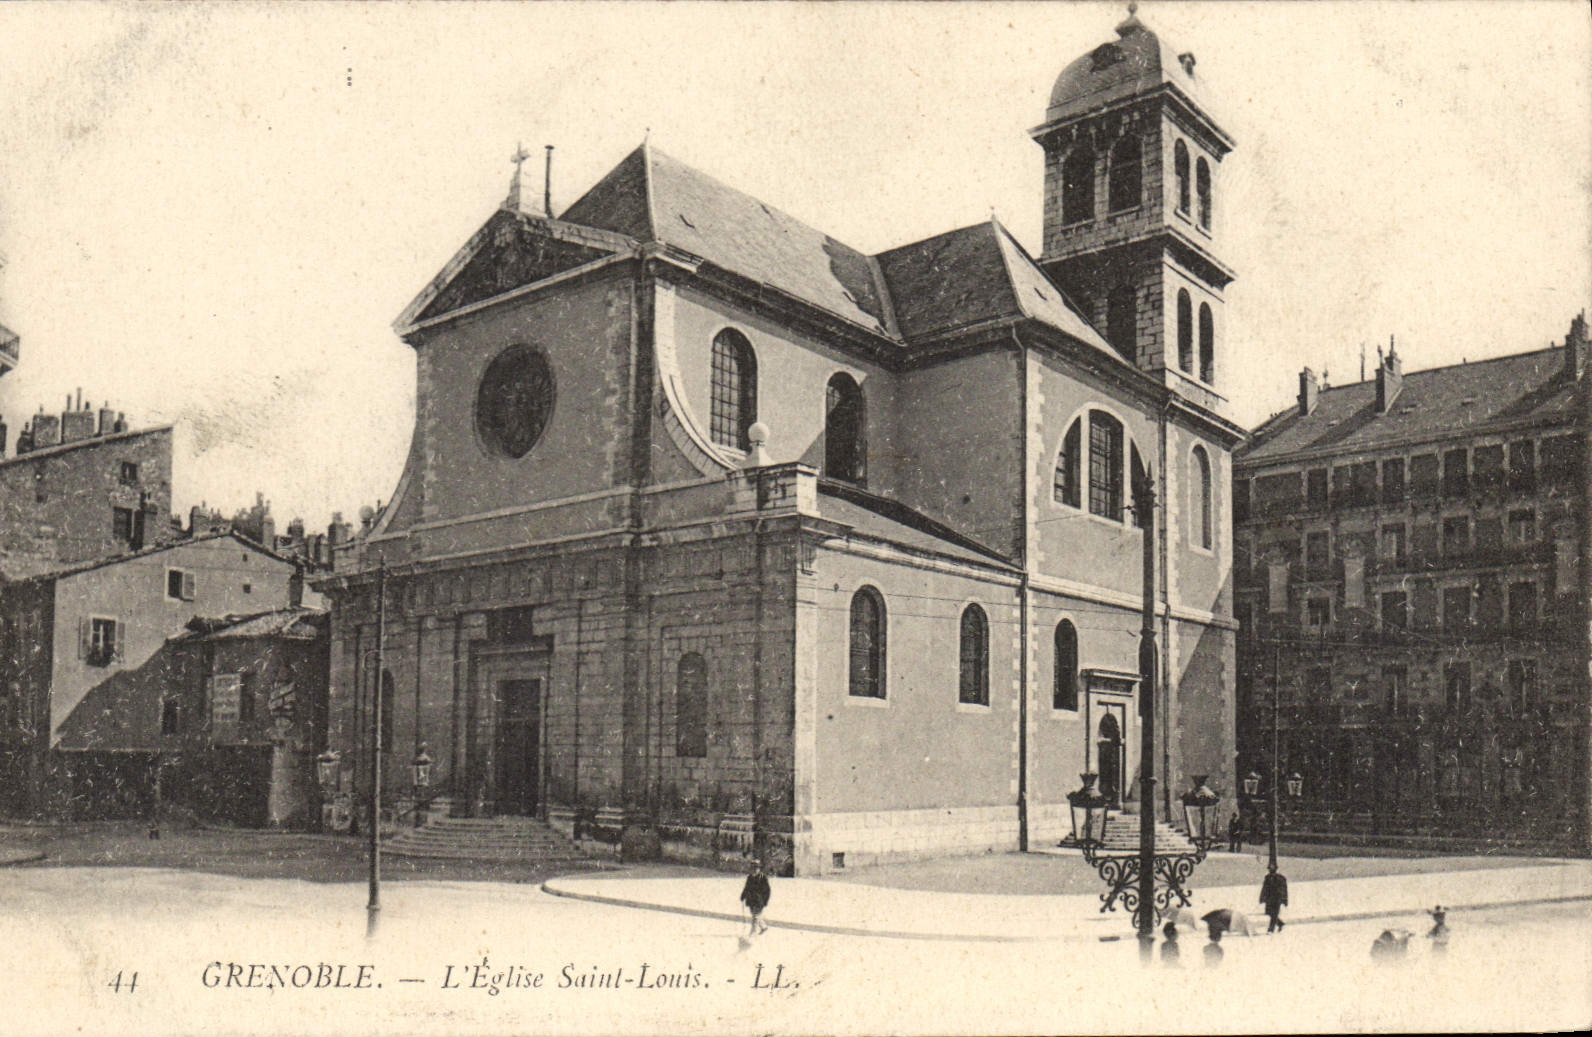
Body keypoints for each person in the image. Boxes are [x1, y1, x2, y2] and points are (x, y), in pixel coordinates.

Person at [739, 860, 771, 936]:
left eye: (756, 868)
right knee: (755, 914)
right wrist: (743, 895)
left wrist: (765, 901)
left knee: (755, 916)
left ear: (759, 869)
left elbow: (767, 891)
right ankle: (763, 927)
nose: (754, 870)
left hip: (759, 900)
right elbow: (746, 887)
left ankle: (753, 932)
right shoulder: (749, 877)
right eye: (752, 869)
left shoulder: (763, 878)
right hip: (751, 899)